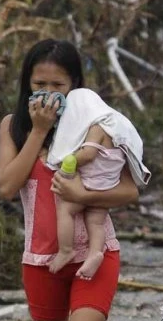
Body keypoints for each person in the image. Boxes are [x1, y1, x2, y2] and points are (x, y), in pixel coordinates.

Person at [0, 39, 140, 321]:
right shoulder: (14, 126)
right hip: (41, 260)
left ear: (75, 85)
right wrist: (39, 131)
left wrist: (84, 195)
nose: (47, 94)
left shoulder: (98, 124)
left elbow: (129, 190)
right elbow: (7, 185)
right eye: (38, 85)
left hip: (95, 253)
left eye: (57, 85)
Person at [42, 88, 150, 280]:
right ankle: (95, 253)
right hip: (108, 186)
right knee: (96, 222)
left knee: (65, 211)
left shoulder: (97, 127)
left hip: (89, 183)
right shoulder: (117, 130)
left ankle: (66, 250)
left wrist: (70, 160)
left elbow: (89, 154)